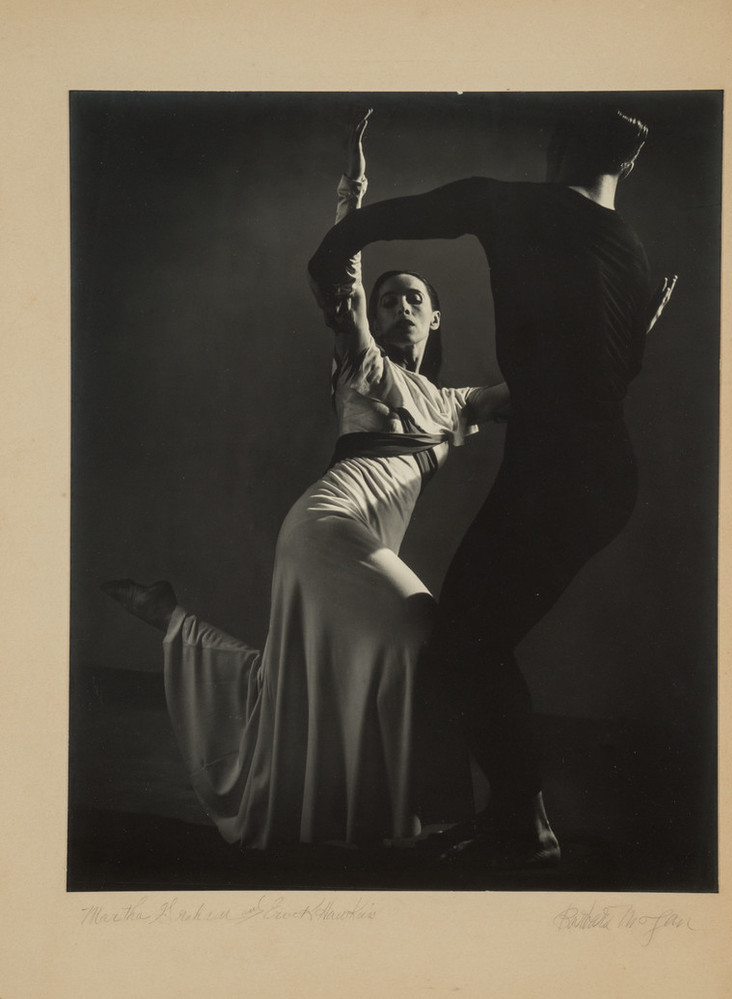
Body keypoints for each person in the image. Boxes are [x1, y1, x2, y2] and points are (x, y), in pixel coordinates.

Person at [102, 111, 509, 851]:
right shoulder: (362, 365)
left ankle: (171, 621)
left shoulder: (458, 404)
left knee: (306, 683)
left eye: (415, 297)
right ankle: (438, 818)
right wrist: (349, 201)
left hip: (355, 535)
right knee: (423, 632)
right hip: (328, 524)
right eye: (390, 298)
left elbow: (544, 396)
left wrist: (617, 343)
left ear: (438, 315)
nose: (400, 305)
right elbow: (339, 284)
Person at [308, 103, 677, 870]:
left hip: (559, 471)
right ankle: (519, 818)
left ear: (555, 144)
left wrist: (336, 245)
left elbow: (389, 223)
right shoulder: (631, 253)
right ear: (629, 165)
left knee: (463, 646)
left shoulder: (511, 202)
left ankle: (522, 824)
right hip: (604, 474)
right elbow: (608, 373)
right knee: (474, 643)